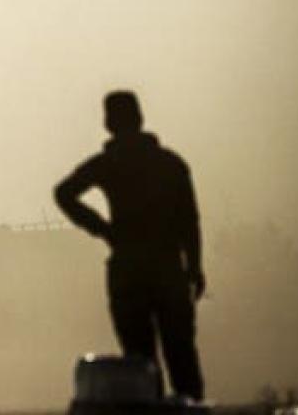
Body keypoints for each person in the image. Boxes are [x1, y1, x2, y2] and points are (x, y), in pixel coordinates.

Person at [54, 91, 205, 400]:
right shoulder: (170, 164)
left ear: (109, 123)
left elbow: (64, 193)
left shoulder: (108, 164)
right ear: (139, 118)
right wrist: (194, 266)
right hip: (167, 268)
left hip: (128, 270)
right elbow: (189, 221)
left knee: (139, 365)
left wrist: (103, 230)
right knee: (182, 358)